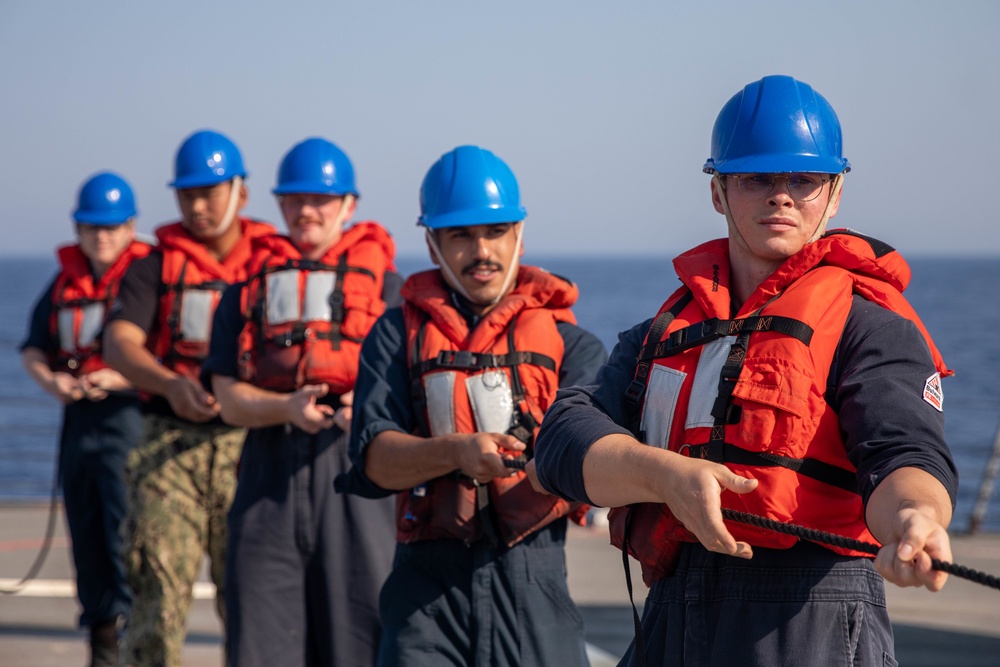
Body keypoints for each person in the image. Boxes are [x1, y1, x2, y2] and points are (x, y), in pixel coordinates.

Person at [532, 75, 959, 667]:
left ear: (834, 195)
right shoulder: (663, 334)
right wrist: (663, 476)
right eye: (758, 177)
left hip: (810, 617)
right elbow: (561, 439)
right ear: (718, 192)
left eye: (803, 181)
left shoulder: (871, 328)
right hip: (675, 609)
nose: (781, 196)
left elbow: (905, 452)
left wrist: (916, 520)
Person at [336, 145, 608, 666]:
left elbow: (596, 454)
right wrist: (457, 452)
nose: (481, 250)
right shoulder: (395, 336)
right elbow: (372, 459)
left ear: (519, 235)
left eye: (495, 231)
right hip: (424, 592)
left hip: (536, 579)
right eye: (460, 234)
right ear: (432, 242)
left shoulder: (574, 347)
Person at [202, 137, 400, 666]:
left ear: (349, 206)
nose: (307, 210)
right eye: (294, 200)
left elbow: (414, 387)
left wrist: (373, 407)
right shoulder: (244, 290)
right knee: (262, 638)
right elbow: (226, 397)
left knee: (361, 633)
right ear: (279, 205)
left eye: (321, 199)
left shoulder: (389, 288)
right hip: (269, 474)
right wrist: (286, 408)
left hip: (360, 478)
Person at [102, 130, 274, 667]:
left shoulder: (272, 264)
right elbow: (119, 342)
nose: (198, 206)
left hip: (251, 447)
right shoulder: (153, 267)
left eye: (210, 192)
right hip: (169, 445)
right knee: (155, 590)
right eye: (186, 195)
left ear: (241, 193)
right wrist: (169, 383)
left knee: (251, 599)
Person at [20, 172, 150, 667]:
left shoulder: (145, 277)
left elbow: (167, 352)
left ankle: (139, 638)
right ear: (77, 229)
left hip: (131, 422)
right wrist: (52, 383)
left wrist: (118, 377)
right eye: (93, 227)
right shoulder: (63, 283)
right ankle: (102, 647)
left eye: (113, 228)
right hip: (79, 428)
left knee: (130, 540)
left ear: (131, 227)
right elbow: (33, 347)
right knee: (88, 536)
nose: (102, 237)